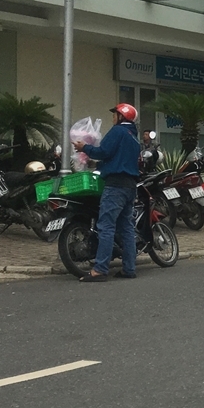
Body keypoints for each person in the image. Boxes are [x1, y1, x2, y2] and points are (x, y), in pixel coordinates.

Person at [73, 103, 141, 282]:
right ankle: (129, 268)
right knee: (126, 228)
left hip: (115, 186)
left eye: (115, 115)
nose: (113, 118)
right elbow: (116, 158)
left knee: (106, 226)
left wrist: (84, 148)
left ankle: (101, 269)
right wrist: (97, 164)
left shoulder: (118, 131)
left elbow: (104, 151)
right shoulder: (133, 136)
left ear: (121, 117)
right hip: (130, 186)